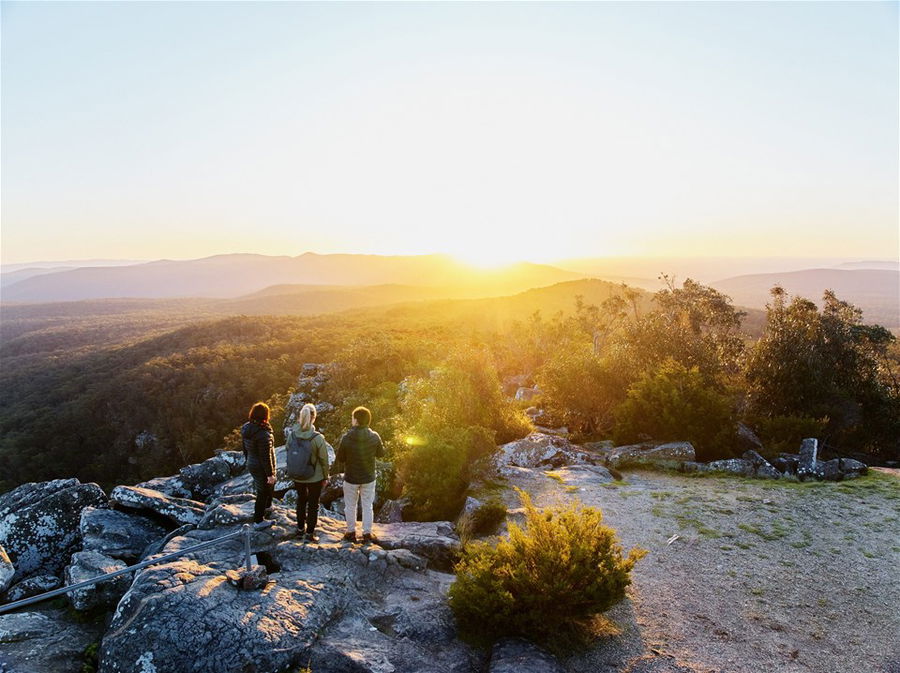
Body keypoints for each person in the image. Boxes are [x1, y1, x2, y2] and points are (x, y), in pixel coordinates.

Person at [335, 406, 384, 543]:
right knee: (368, 506)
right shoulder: (374, 436)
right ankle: (367, 533)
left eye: (352, 418)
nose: (352, 420)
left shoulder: (346, 438)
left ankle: (351, 532)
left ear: (356, 420)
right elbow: (381, 454)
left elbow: (340, 458)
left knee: (350, 506)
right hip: (368, 477)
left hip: (351, 477)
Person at [287, 403, 332, 543]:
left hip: (298, 475)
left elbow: (289, 451)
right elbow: (324, 459)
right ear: (314, 418)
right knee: (313, 504)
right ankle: (310, 534)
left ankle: (300, 530)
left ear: (301, 417)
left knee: (301, 501)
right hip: (315, 477)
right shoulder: (317, 438)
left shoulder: (292, 435)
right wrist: (325, 476)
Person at [241, 402, 276, 530]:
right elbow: (265, 457)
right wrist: (270, 474)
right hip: (261, 466)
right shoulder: (263, 435)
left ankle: (267, 507)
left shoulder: (247, 428)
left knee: (264, 488)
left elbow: (245, 448)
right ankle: (258, 520)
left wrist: (248, 460)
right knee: (263, 491)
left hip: (252, 462)